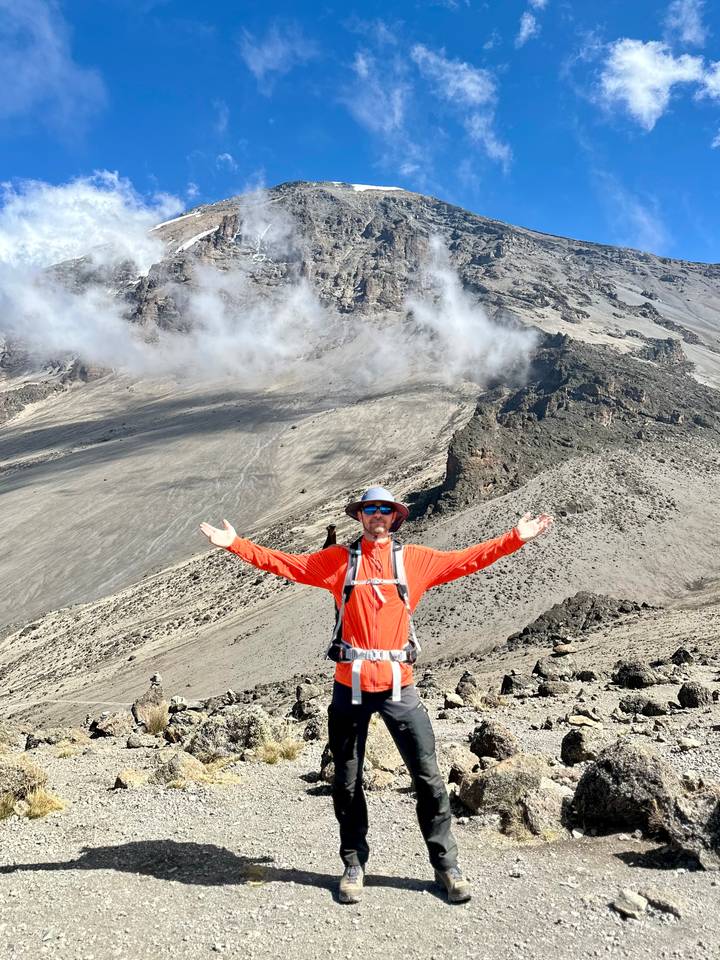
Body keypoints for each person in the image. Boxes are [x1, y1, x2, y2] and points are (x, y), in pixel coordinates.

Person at [199, 487, 553, 904]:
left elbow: (467, 560)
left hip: (399, 687)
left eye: (386, 510)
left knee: (429, 779)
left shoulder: (415, 561)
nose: (378, 516)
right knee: (347, 783)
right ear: (361, 517)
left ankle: (446, 866)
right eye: (370, 510)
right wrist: (236, 545)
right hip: (350, 687)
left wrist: (515, 538)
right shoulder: (337, 563)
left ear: (395, 518)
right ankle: (353, 863)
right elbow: (287, 565)